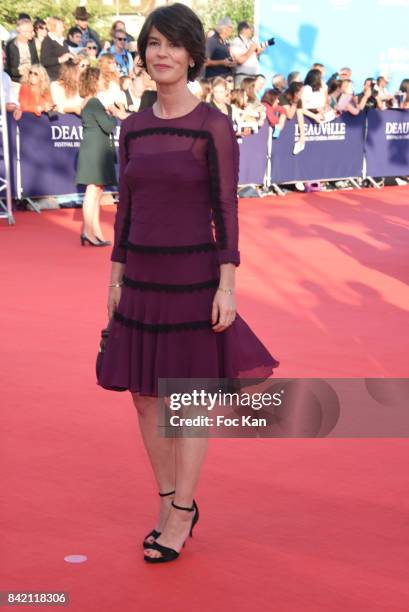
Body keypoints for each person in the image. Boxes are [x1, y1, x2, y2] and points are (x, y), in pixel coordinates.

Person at [96, 2, 279, 564]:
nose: (162, 53)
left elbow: (227, 209)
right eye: (153, 43)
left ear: (194, 54)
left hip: (194, 277)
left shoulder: (212, 127)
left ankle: (180, 513)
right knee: (144, 399)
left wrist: (227, 284)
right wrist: (116, 273)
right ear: (144, 52)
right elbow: (126, 207)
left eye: (174, 44)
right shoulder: (133, 126)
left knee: (187, 402)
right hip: (143, 277)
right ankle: (170, 500)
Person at [76, 66, 126, 246]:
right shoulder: (94, 103)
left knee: (97, 191)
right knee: (92, 191)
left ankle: (94, 231)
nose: (103, 81)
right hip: (95, 150)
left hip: (95, 149)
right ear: (93, 82)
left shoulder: (90, 102)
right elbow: (109, 126)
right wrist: (113, 115)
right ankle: (88, 231)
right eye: (100, 78)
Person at [229, 21, 269, 87]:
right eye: (251, 28)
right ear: (244, 30)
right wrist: (252, 49)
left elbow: (250, 56)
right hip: (242, 77)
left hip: (253, 77)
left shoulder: (250, 42)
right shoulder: (236, 42)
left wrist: (258, 52)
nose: (253, 30)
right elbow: (240, 60)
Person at [5, 18, 39, 86]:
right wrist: (19, 72)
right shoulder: (10, 46)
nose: (34, 33)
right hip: (15, 82)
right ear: (22, 32)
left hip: (31, 80)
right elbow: (6, 69)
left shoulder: (32, 43)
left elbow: (36, 61)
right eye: (31, 31)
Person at [41, 17, 74, 81]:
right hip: (53, 78)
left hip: (64, 76)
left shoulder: (62, 41)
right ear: (53, 28)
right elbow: (44, 61)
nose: (63, 29)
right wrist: (60, 59)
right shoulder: (47, 41)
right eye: (60, 27)